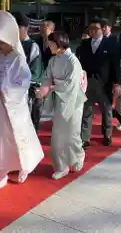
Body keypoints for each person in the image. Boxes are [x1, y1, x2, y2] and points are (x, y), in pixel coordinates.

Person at [0, 10, 44, 191]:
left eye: (2, 43)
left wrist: (3, 88)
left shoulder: (18, 58)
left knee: (17, 137)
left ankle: (25, 165)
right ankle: (1, 172)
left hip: (13, 106)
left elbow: (24, 81)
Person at [37, 31, 86, 180]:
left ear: (59, 44)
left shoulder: (73, 61)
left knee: (72, 135)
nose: (48, 45)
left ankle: (79, 155)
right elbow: (47, 77)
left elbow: (71, 85)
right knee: (58, 136)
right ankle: (61, 166)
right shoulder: (53, 60)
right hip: (60, 99)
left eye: (51, 43)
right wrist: (43, 89)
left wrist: (52, 87)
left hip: (74, 101)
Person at [78, 17, 121, 148]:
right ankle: (85, 138)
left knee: (106, 111)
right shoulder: (84, 44)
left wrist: (117, 83)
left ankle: (107, 135)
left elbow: (116, 65)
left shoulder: (111, 44)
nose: (93, 31)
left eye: (95, 29)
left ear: (102, 29)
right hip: (88, 82)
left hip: (105, 83)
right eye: (90, 29)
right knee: (87, 111)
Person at [15, 13, 44, 132]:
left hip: (28, 90)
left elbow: (35, 71)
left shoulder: (32, 46)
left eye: (18, 27)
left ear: (26, 28)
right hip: (13, 91)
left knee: (30, 121)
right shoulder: (11, 46)